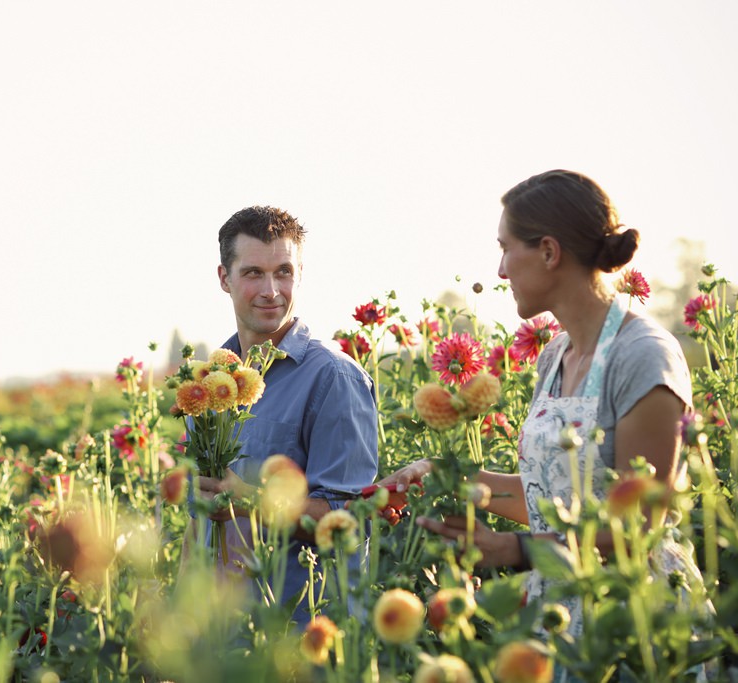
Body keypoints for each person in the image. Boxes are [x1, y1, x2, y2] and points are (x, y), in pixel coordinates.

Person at [378, 170, 707, 658]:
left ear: (549, 252)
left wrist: (516, 550)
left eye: (506, 248)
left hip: (636, 618)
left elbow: (640, 526)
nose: (500, 271)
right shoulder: (556, 355)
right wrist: (450, 477)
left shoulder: (642, 356)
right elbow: (550, 496)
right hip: (561, 618)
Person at [194, 205, 379, 627]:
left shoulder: (333, 377)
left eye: (284, 271)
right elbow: (202, 523)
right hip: (222, 636)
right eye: (254, 273)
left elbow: (350, 521)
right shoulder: (209, 384)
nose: (272, 290)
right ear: (224, 278)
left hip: (301, 634)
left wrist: (251, 501)